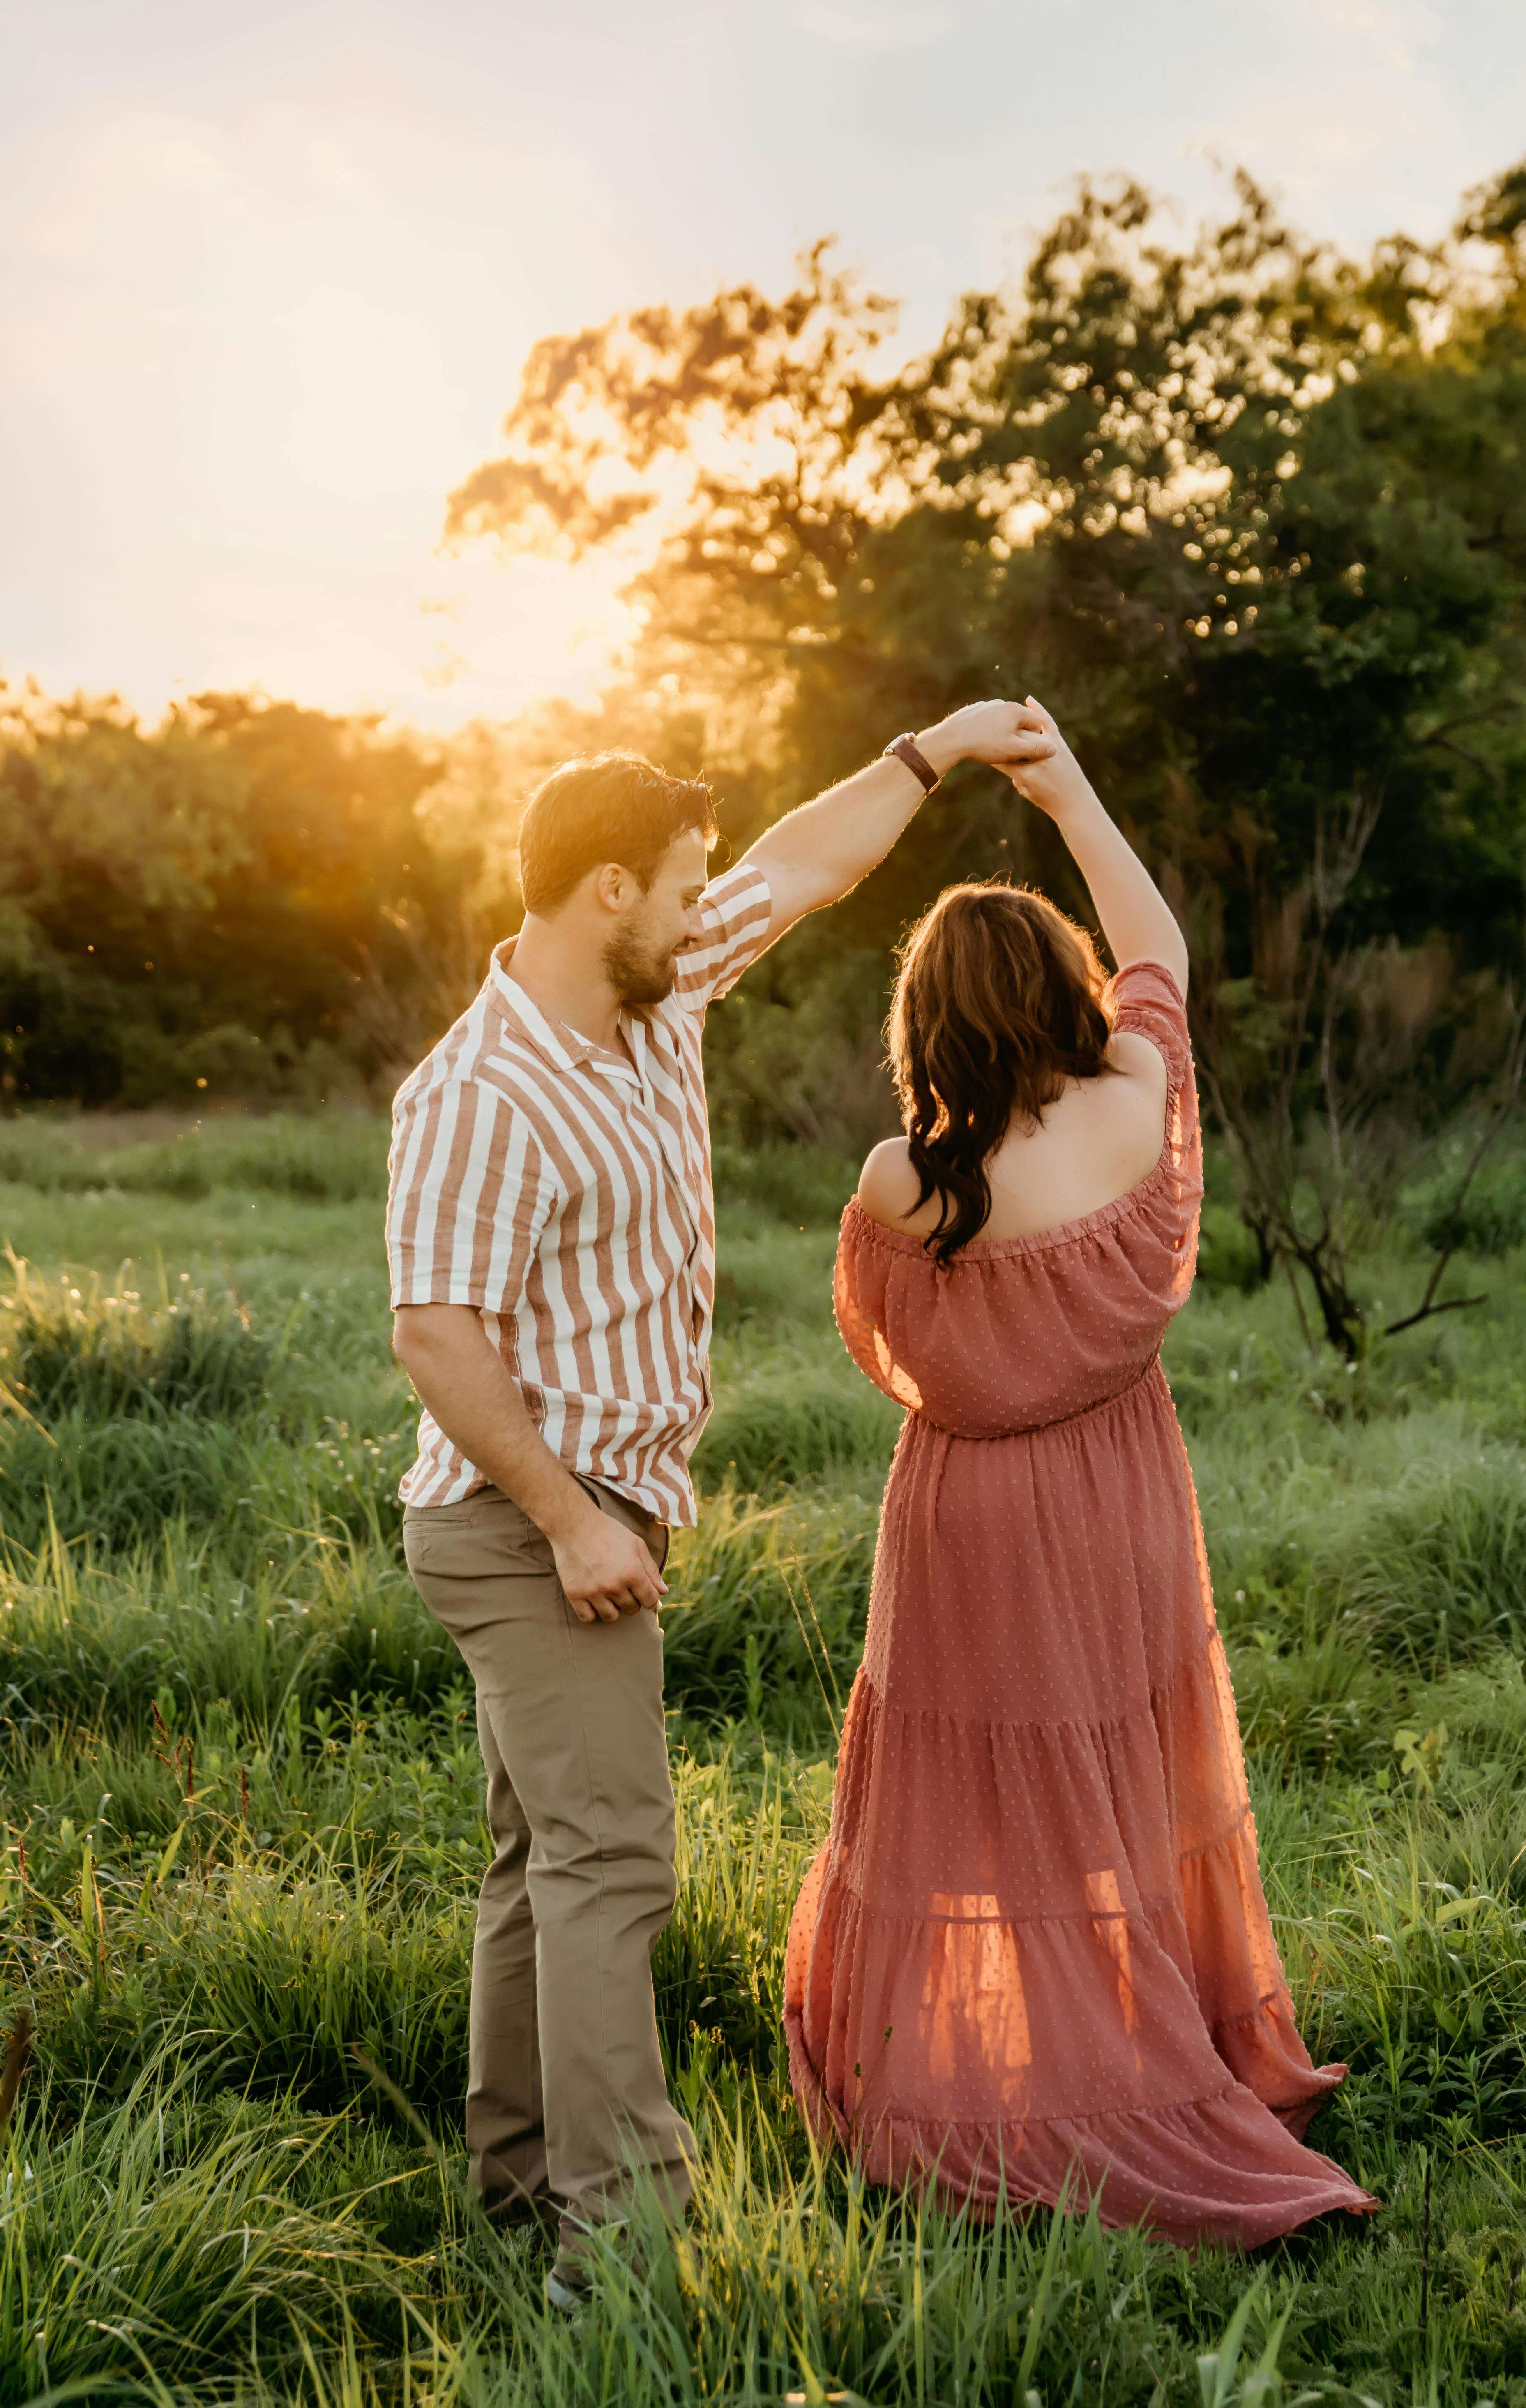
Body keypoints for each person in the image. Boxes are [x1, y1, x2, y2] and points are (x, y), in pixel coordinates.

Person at [386, 704, 1058, 2302]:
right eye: (682, 890)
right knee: (612, 1862)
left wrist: (931, 751)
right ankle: (615, 2245)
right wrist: (571, 1521)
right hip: (525, 1522)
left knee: (533, 1855)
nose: (708, 915)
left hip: (597, 1504)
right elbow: (436, 1334)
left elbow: (800, 868)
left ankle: (508, 2168)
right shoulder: (478, 1091)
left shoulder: (658, 982)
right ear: (606, 888)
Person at [781, 704, 1380, 2247]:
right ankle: (1141, 2045)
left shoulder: (903, 1179)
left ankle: (996, 2074)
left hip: (968, 1514)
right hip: (1125, 1489)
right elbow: (1157, 947)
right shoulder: (1133, 1106)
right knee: (1119, 1760)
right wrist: (1066, 789)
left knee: (973, 1789)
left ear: (926, 1023)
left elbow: (890, 1350)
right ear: (1057, 991)